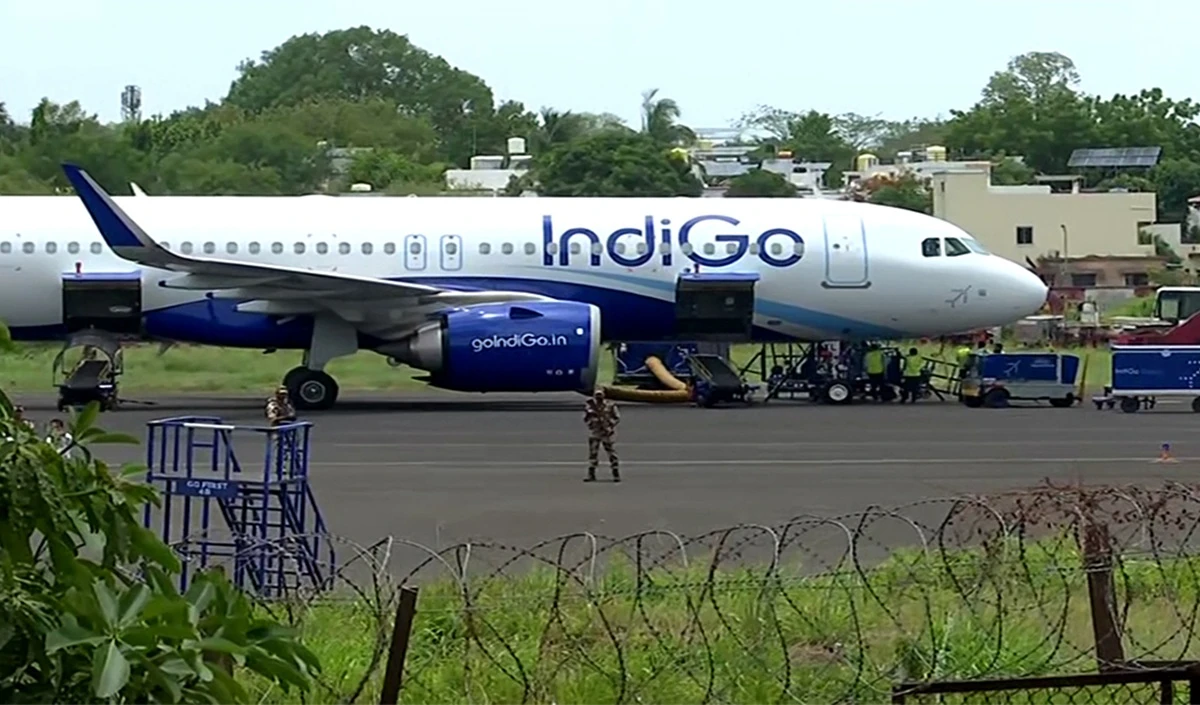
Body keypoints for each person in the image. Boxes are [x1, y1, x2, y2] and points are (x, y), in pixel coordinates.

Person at [582, 389, 620, 482]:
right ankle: (591, 474)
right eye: (597, 395)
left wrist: (610, 425)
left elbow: (616, 417)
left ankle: (615, 473)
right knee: (593, 453)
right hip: (595, 432)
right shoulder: (590, 405)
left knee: (611, 453)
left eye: (600, 395)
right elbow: (586, 418)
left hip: (607, 432)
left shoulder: (610, 405)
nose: (599, 397)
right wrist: (591, 424)